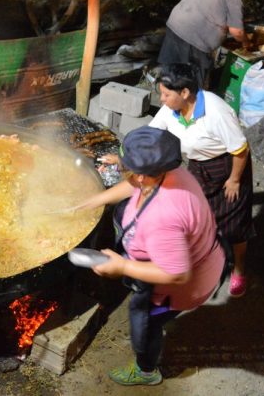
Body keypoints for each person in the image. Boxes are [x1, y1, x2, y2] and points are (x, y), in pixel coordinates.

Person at [80, 127, 225, 386]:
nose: (123, 169)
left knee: (144, 323)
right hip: (202, 251)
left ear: (141, 175)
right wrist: (93, 201)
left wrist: (122, 265)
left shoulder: (162, 216)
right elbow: (131, 186)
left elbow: (176, 273)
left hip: (177, 285)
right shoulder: (167, 171)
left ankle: (146, 370)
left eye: (125, 167)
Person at [150, 63, 254, 297]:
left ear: (185, 93)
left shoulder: (217, 112)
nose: (162, 99)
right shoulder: (171, 109)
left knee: (234, 224)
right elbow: (152, 134)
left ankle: (239, 270)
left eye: (166, 94)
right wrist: (126, 155)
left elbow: (240, 150)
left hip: (228, 165)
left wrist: (235, 180)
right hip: (200, 165)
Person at [158, 0, 259, 86]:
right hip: (195, 38)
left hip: (175, 25)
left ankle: (166, 101)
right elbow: (237, 32)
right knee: (192, 84)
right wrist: (246, 43)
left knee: (169, 75)